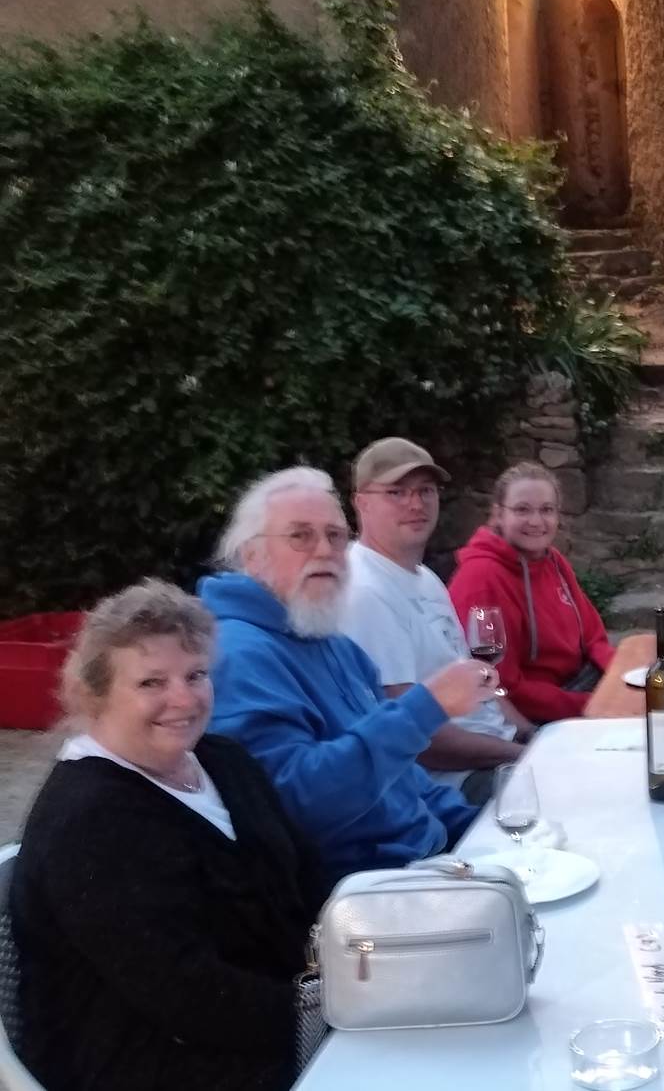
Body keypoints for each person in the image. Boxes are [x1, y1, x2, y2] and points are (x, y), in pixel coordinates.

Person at [11, 580, 326, 1091]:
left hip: (268, 1021)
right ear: (94, 694)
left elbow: (308, 879)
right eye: (151, 683)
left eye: (195, 675)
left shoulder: (225, 762)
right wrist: (331, 1012)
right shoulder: (93, 820)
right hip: (153, 1061)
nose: (183, 699)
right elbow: (191, 995)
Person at [199, 466, 497, 882]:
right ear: (253, 556)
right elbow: (299, 806)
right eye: (301, 535)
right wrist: (425, 708)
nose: (324, 550)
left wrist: (482, 831)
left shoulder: (334, 642)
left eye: (336, 536)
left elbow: (402, 776)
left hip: (436, 860)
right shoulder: (238, 655)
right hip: (365, 894)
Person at [341, 437, 535, 805]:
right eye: (396, 492)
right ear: (361, 503)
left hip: (498, 751)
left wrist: (529, 732)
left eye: (425, 490)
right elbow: (420, 739)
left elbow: (476, 678)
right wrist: (522, 756)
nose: (415, 504)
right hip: (456, 784)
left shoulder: (424, 577)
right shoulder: (366, 592)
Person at [447, 461, 615, 724]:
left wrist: (620, 678)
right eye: (522, 510)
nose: (536, 521)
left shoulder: (553, 561)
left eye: (546, 510)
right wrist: (593, 704)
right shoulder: (482, 578)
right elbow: (504, 688)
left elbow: (594, 636)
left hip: (577, 686)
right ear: (498, 514)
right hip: (534, 713)